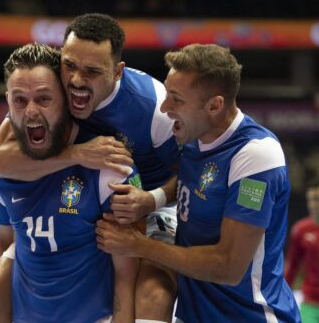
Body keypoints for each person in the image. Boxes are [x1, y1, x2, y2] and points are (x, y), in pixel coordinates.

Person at [0, 13, 180, 323]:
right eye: (71, 65)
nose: (77, 80)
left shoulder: (153, 106)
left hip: (155, 204)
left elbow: (192, 173)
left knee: (152, 296)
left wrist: (153, 198)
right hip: (88, 200)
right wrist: (78, 154)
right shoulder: (51, 88)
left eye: (92, 71)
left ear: (117, 72)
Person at [96, 43, 302, 322]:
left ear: (214, 105)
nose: (165, 108)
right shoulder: (195, 138)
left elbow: (228, 267)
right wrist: (153, 198)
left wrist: (138, 245)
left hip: (250, 316)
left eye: (176, 99)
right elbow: (191, 179)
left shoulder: (256, 156)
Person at [0, 42, 138, 323]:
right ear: (7, 102)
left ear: (64, 98)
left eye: (44, 99)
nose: (31, 112)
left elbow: (126, 274)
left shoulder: (108, 166)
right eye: (20, 100)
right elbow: (2, 241)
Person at [285, 179, 319, 323]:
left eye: (317, 199)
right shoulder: (301, 229)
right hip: (310, 304)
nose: (313, 204)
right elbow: (292, 267)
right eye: (311, 199)